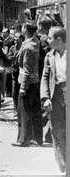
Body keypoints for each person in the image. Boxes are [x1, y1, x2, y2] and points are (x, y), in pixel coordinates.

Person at [12, 21, 43, 147]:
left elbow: (26, 70)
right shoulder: (36, 43)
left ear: (25, 29)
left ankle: (24, 139)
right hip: (36, 81)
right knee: (36, 110)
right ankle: (37, 139)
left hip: (27, 82)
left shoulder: (27, 48)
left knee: (24, 112)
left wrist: (23, 88)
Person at [41, 27, 66, 173]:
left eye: (50, 38)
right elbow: (45, 78)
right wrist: (45, 97)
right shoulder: (49, 56)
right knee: (56, 131)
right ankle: (64, 167)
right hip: (55, 95)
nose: (47, 40)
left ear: (59, 40)